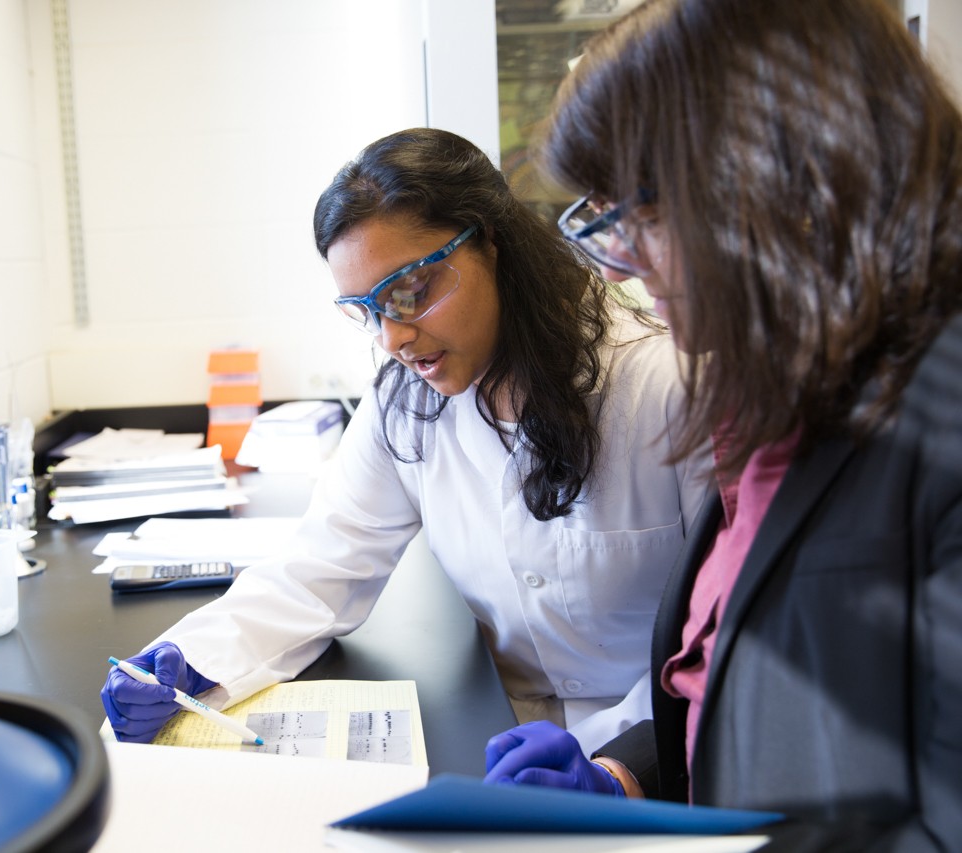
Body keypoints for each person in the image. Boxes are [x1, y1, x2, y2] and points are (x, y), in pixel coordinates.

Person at [481, 0, 962, 848]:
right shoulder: (776, 397)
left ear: (784, 167)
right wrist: (628, 776)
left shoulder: (942, 404)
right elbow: (753, 688)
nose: (622, 262)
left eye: (642, 213)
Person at [102, 127, 710, 757]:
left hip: (668, 744)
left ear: (492, 242)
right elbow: (321, 569)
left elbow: (727, 635)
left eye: (411, 294)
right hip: (510, 731)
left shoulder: (665, 383)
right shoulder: (408, 402)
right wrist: (186, 659)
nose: (392, 338)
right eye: (367, 309)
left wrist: (621, 761)